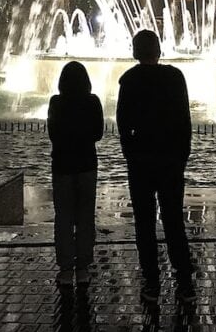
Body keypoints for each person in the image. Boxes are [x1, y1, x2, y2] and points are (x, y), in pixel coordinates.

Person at [116, 29, 195, 303]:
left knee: (144, 223)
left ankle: (151, 282)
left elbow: (123, 125)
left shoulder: (129, 80)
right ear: (158, 51)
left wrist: (130, 154)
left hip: (141, 161)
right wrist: (182, 155)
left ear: (135, 52)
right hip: (171, 160)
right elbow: (185, 121)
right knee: (174, 221)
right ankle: (184, 282)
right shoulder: (175, 78)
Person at [47, 61, 104, 287]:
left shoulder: (56, 102)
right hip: (86, 164)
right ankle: (83, 267)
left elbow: (52, 133)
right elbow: (98, 133)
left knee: (63, 216)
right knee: (85, 215)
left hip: (62, 164)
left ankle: (64, 268)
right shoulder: (93, 102)